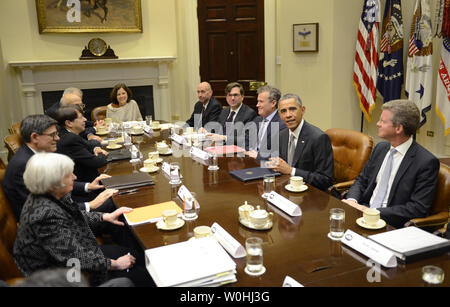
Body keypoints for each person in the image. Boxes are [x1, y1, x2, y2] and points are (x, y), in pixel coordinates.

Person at [13, 152, 153, 287]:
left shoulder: (51, 194)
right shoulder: (44, 215)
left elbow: (73, 216)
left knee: (138, 257)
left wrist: (104, 216)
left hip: (80, 251)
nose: (74, 177)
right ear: (52, 184)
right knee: (143, 276)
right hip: (63, 276)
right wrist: (115, 264)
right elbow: (73, 257)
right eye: (68, 175)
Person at [342, 100, 440, 228]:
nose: (377, 124)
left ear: (398, 128)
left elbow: (417, 208)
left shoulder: (426, 162)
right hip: (362, 214)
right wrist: (351, 201)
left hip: (391, 223)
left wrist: (371, 212)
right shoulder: (380, 149)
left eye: (383, 121)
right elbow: (362, 180)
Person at [2, 114, 115, 220]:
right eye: (52, 135)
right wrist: (90, 205)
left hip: (62, 204)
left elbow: (55, 184)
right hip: (50, 224)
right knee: (113, 204)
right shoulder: (24, 165)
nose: (57, 138)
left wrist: (88, 186)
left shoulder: (34, 154)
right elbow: (43, 211)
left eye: (57, 134)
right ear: (35, 137)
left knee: (109, 195)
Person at [267, 93, 334, 191]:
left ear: (302, 110)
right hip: (285, 189)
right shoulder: (281, 135)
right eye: (283, 111)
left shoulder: (318, 138)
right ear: (279, 115)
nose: (288, 115)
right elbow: (280, 165)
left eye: (292, 109)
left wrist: (291, 171)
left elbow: (325, 179)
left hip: (311, 194)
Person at [55, 105, 109, 183]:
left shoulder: (69, 133)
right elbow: (97, 162)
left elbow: (90, 143)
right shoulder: (70, 139)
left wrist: (96, 148)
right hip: (84, 183)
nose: (85, 119)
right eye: (81, 118)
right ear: (69, 123)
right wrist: (102, 153)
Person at [206, 82, 257, 147]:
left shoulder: (249, 114)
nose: (232, 98)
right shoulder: (224, 112)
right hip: (219, 148)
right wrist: (206, 132)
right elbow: (217, 130)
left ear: (242, 97)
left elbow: (246, 139)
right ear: (226, 97)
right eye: (229, 95)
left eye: (235, 95)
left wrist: (225, 138)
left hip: (236, 152)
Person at [246, 85, 286, 159]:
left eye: (261, 101)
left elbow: (280, 154)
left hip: (268, 165)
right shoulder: (257, 120)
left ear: (273, 103)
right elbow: (247, 141)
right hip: (250, 160)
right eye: (258, 101)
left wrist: (258, 156)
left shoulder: (282, 124)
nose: (257, 105)